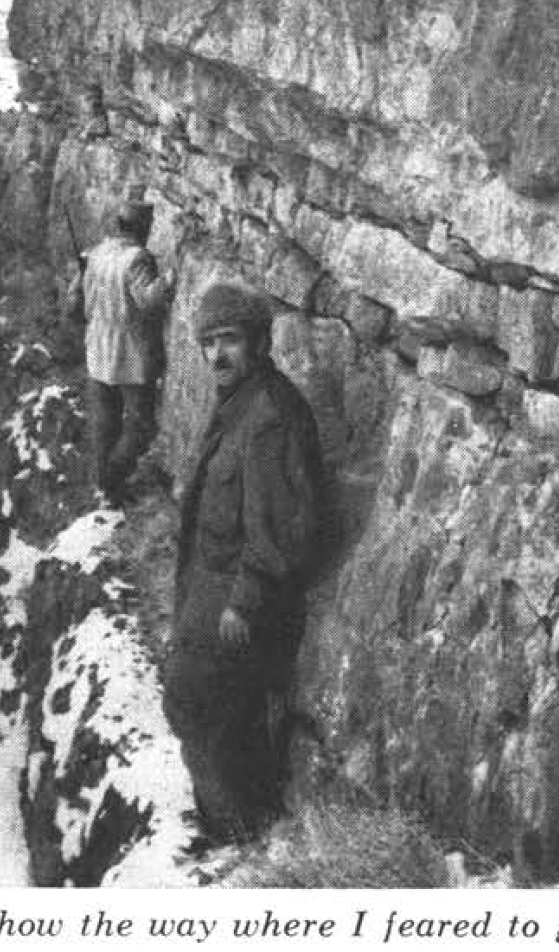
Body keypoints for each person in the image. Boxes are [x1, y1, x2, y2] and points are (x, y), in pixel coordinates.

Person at [164, 284, 325, 843]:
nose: (216, 355)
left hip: (239, 592)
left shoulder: (268, 417)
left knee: (196, 701)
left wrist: (246, 600)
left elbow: (276, 523)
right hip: (211, 577)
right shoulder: (239, 400)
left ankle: (237, 832)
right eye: (207, 342)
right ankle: (225, 820)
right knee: (213, 711)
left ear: (257, 342)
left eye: (228, 340)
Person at [62, 189, 174, 507]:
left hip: (97, 353)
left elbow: (76, 303)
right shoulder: (138, 258)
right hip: (130, 358)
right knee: (141, 426)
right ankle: (113, 480)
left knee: (105, 425)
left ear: (119, 224)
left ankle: (105, 490)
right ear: (143, 229)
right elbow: (147, 300)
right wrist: (168, 280)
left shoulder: (95, 254)